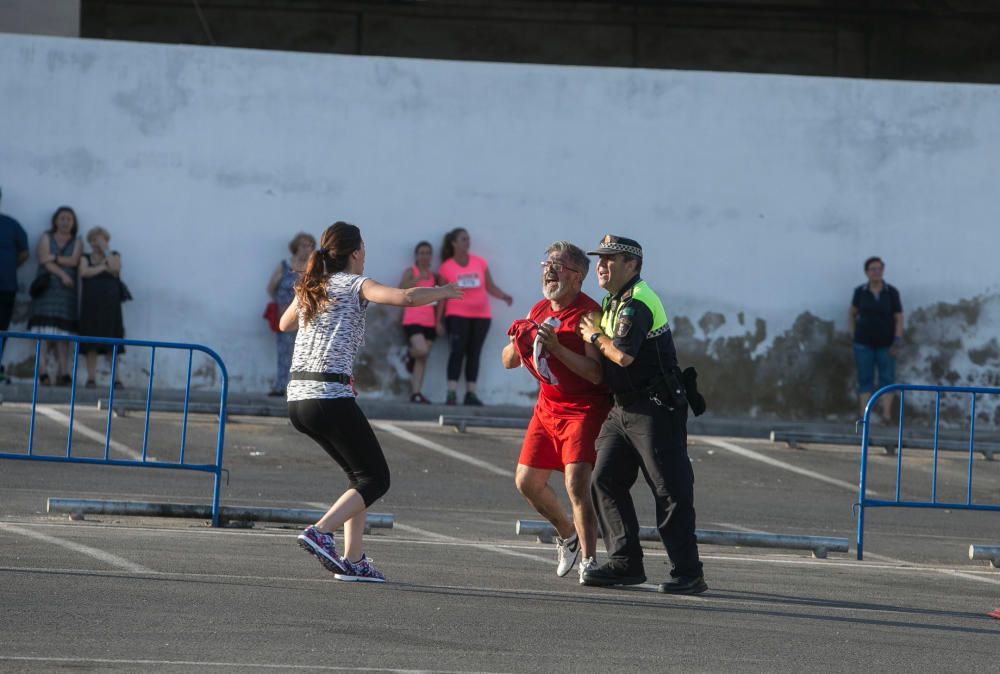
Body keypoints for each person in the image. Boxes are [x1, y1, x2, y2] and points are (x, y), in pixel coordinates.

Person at [281, 221, 461, 583]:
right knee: (376, 479)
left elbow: (286, 324)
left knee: (358, 477)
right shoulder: (353, 284)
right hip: (328, 396)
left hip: (298, 398)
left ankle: (354, 559)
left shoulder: (311, 288)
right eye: (364, 250)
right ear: (356, 252)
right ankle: (320, 532)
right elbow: (405, 297)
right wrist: (442, 291)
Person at [577, 234, 707, 595]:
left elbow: (622, 356)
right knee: (604, 479)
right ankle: (625, 563)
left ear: (632, 265)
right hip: (623, 407)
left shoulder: (638, 302)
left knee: (669, 488)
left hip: (655, 408)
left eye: (611, 260)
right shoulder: (612, 299)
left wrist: (593, 335)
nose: (601, 266)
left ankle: (688, 572)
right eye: (600, 260)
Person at [501, 241, 610, 584]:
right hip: (547, 408)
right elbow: (508, 361)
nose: (549, 271)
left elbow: (596, 374)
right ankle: (567, 534)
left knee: (576, 483)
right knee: (527, 482)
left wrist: (557, 348)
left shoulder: (589, 314)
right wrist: (520, 338)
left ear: (577, 277)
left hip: (583, 410)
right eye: (546, 264)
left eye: (559, 266)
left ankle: (590, 561)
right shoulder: (538, 310)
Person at [436, 227, 512, 406]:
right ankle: (452, 393)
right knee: (457, 352)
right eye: (463, 239)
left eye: (468, 239)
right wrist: (438, 320)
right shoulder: (446, 267)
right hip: (456, 315)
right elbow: (440, 296)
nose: (467, 242)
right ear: (454, 243)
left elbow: (490, 286)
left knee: (474, 353)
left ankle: (471, 393)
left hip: (481, 316)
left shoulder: (480, 262)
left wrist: (503, 296)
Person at [28, 206, 82, 386]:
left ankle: (63, 372)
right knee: (43, 333)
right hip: (46, 290)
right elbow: (43, 259)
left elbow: (74, 260)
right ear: (56, 220)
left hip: (66, 294)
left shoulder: (76, 241)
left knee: (63, 334)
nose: (65, 222)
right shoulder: (46, 237)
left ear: (73, 223)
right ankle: (42, 371)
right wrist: (63, 274)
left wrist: (54, 257)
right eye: (62, 218)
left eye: (69, 219)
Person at [848, 256, 903, 422]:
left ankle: (886, 416)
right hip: (863, 344)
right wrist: (853, 334)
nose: (877, 272)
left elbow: (899, 318)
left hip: (886, 344)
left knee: (887, 379)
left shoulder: (891, 293)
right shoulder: (860, 292)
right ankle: (864, 415)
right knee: (865, 378)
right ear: (866, 272)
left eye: (879, 268)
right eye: (873, 269)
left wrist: (897, 339)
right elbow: (852, 313)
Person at [266, 232, 315, 396]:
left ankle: (302, 388)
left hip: (308, 318)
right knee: (284, 353)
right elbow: (271, 287)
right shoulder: (285, 266)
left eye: (309, 245)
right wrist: (281, 304)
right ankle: (280, 386)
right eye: (303, 245)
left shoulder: (313, 267)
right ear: (295, 247)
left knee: (306, 353)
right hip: (286, 316)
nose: (306, 249)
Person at [78, 226, 126, 389]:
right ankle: (91, 378)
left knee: (113, 342)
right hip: (91, 305)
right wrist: (102, 267)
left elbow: (115, 269)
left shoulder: (113, 255)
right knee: (91, 341)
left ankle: (116, 378)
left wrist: (106, 251)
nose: (96, 243)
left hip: (111, 306)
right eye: (93, 240)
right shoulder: (85, 257)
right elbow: (84, 272)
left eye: (100, 239)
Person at [399, 240, 440, 403]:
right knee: (421, 351)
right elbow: (400, 289)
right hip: (413, 319)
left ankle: (416, 393)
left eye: (427, 253)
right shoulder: (411, 272)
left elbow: (439, 299)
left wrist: (439, 322)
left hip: (429, 321)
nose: (424, 256)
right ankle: (407, 354)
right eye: (421, 253)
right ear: (416, 255)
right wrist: (417, 279)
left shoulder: (434, 276)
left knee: (422, 358)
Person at [0, 187, 29, 380]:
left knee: (1, 328)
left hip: (5, 287)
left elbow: (24, 252)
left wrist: (9, 267)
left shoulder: (11, 225)